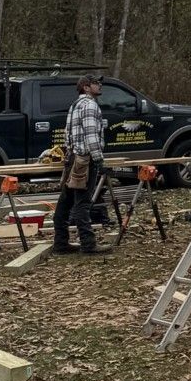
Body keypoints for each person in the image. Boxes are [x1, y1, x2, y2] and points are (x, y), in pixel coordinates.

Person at [52, 77, 108, 255]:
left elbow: (67, 134)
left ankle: (61, 243)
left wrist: (70, 154)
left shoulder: (75, 105)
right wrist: (98, 159)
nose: (99, 86)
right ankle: (88, 245)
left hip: (73, 158)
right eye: (96, 83)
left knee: (65, 202)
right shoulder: (90, 106)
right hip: (85, 160)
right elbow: (91, 135)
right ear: (86, 87)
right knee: (82, 203)